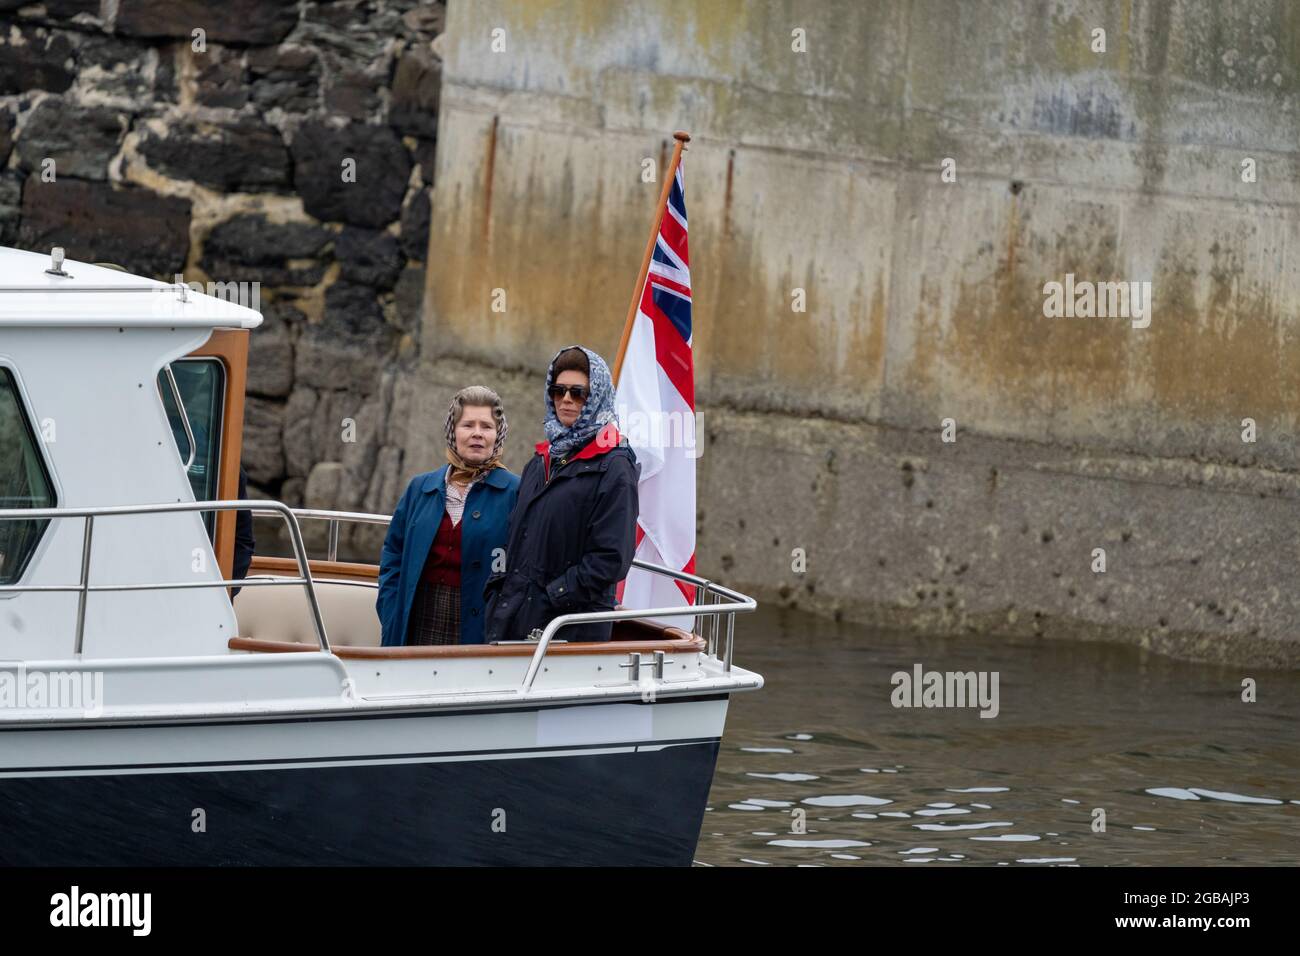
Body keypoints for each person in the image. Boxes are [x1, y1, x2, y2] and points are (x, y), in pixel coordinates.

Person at [483, 346, 639, 644]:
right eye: (558, 390)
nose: (566, 399)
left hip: (567, 632)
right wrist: (496, 586)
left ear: (595, 398)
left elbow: (611, 559)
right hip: (511, 618)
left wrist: (553, 596)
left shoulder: (615, 466)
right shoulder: (540, 461)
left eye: (578, 393)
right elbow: (512, 536)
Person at [377, 386, 519, 645]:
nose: (477, 433)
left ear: (498, 435)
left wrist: (502, 624)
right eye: (468, 425)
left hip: (482, 630)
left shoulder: (515, 492)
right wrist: (391, 615)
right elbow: (392, 557)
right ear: (453, 431)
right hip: (416, 623)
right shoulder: (420, 488)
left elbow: (523, 567)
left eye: (486, 426)